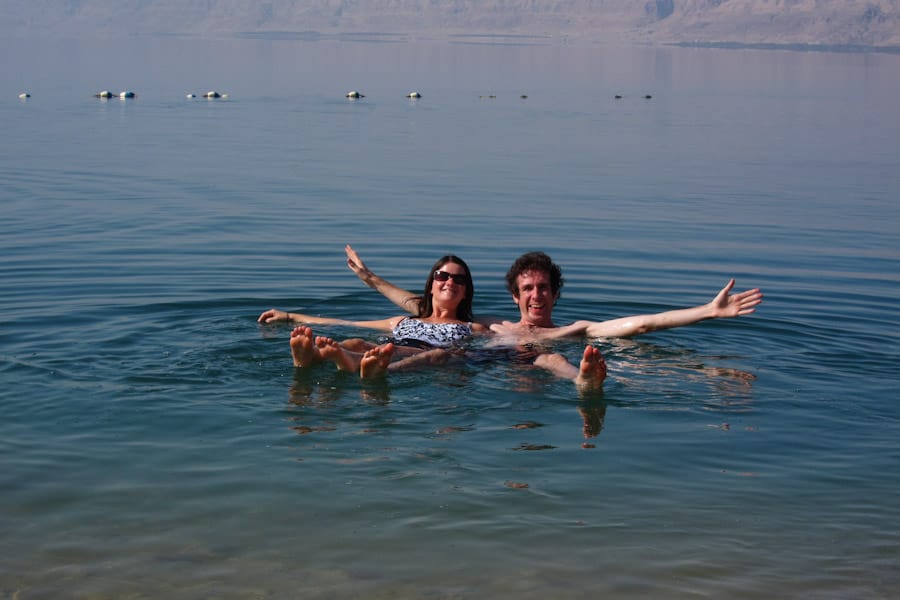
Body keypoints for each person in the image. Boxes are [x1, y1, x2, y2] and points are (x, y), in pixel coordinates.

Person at [258, 254, 607, 389]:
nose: (449, 282)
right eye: (443, 276)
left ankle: (358, 367)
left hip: (428, 357)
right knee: (353, 343)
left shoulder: (475, 327)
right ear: (432, 283)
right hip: (390, 348)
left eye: (458, 280)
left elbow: (518, 339)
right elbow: (347, 322)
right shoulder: (403, 319)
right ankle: (314, 359)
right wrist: (290, 316)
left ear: (466, 292)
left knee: (434, 356)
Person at [344, 245, 763, 343]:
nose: (536, 295)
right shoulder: (492, 326)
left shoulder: (576, 330)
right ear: (515, 296)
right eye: (527, 288)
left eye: (543, 288)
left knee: (547, 359)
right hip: (488, 370)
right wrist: (371, 279)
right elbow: (419, 309)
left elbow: (644, 322)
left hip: (540, 366)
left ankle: (584, 384)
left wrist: (708, 311)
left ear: (555, 294)